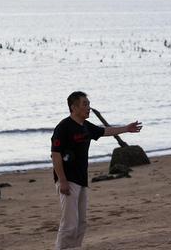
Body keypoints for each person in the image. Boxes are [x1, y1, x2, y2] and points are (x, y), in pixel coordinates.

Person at [51, 91, 142, 250]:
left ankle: (75, 247)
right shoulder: (63, 127)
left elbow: (105, 131)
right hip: (68, 179)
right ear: (74, 107)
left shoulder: (85, 126)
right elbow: (55, 154)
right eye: (85, 104)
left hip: (81, 179)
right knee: (69, 222)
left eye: (89, 104)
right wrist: (62, 180)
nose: (89, 108)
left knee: (81, 221)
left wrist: (126, 128)